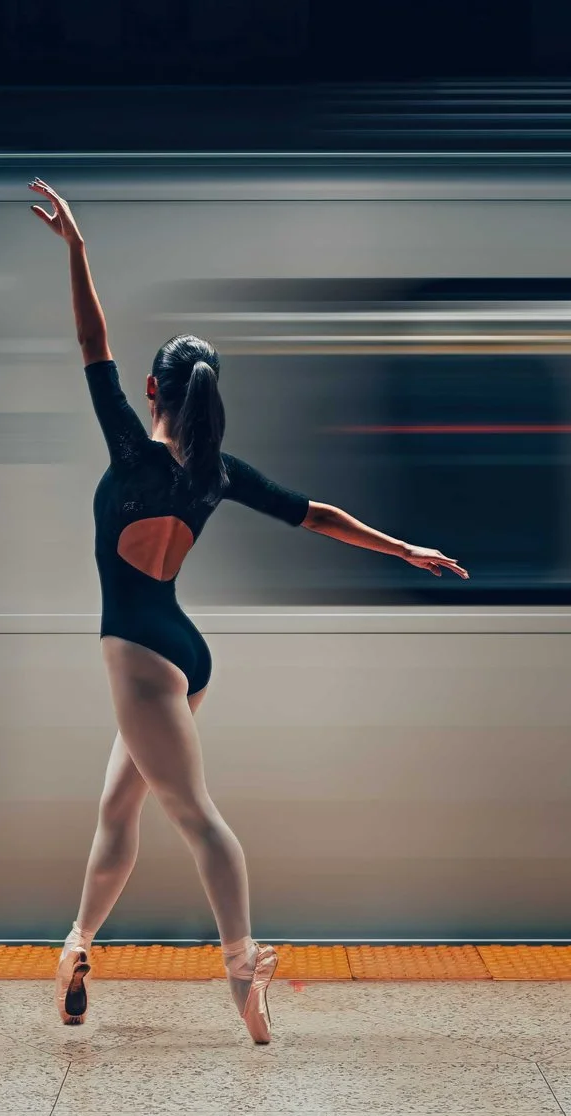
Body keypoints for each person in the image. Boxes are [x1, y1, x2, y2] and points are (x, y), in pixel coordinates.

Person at [29, 179, 467, 1044]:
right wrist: (404, 547)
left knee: (195, 817)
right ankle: (76, 945)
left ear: (153, 388)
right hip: (182, 655)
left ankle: (242, 967)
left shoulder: (130, 448)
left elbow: (90, 339)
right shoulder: (213, 476)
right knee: (119, 809)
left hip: (141, 660)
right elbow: (321, 516)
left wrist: (78, 250)